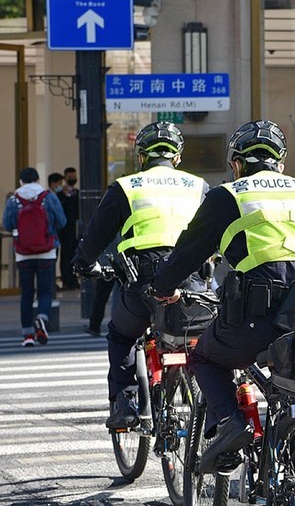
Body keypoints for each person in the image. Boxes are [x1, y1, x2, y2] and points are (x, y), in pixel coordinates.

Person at [151, 119, 295, 473]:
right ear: (280, 161)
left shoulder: (227, 195)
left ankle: (232, 423)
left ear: (237, 164)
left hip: (254, 315)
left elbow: (189, 251)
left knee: (205, 358)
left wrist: (163, 287)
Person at [72, 122, 209, 429]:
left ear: (142, 156)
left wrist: (83, 264)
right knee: (198, 340)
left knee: (121, 336)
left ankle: (125, 404)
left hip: (142, 280)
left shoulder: (127, 186)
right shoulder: (199, 186)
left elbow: (95, 235)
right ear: (177, 157)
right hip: (189, 280)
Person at [4, 167, 67, 347]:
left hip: (23, 254)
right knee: (45, 292)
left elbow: (8, 224)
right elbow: (62, 221)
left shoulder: (13, 199)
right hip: (47, 252)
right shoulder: (48, 197)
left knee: (26, 294)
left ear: (20, 182)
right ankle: (42, 318)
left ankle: (28, 335)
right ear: (38, 180)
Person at [53, 171, 81, 290]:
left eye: (74, 177)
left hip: (76, 229)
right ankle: (66, 279)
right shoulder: (60, 195)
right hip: (65, 230)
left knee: (74, 255)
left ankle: (73, 279)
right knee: (66, 256)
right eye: (70, 177)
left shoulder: (78, 193)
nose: (73, 179)